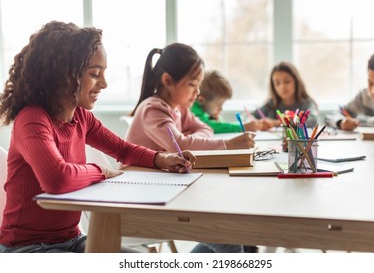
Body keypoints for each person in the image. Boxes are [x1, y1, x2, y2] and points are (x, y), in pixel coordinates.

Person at [0, 21, 196, 253]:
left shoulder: (81, 117)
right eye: (95, 74)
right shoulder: (32, 119)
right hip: (27, 249)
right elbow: (57, 180)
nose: (103, 83)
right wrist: (101, 172)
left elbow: (123, 150)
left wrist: (162, 159)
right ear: (63, 74)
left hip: (72, 240)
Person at [125, 43, 255, 253]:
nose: (198, 92)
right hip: (143, 204)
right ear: (168, 80)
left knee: (234, 227)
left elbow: (204, 129)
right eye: (193, 84)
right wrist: (228, 145)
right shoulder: (153, 109)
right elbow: (182, 145)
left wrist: (187, 139)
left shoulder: (178, 109)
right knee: (230, 240)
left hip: (166, 192)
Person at [191, 70, 273, 133]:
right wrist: (243, 127)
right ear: (201, 100)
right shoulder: (192, 109)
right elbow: (209, 126)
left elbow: (221, 124)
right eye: (219, 105)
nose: (221, 109)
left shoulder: (204, 111)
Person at [326, 51, 374, 130]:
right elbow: (330, 116)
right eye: (370, 83)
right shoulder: (363, 96)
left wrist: (357, 120)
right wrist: (341, 122)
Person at [252, 61, 318, 128]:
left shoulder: (307, 103)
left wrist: (277, 122)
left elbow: (313, 121)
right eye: (277, 83)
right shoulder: (271, 104)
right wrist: (259, 124)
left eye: (287, 81)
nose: (282, 87)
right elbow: (248, 117)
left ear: (296, 81)